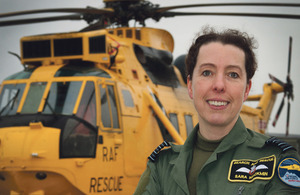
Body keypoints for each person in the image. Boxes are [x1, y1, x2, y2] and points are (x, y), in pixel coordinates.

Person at [134, 27, 300, 195]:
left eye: (233, 74)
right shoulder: (161, 165)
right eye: (207, 72)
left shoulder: (278, 161)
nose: (219, 85)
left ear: (246, 89)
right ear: (190, 86)